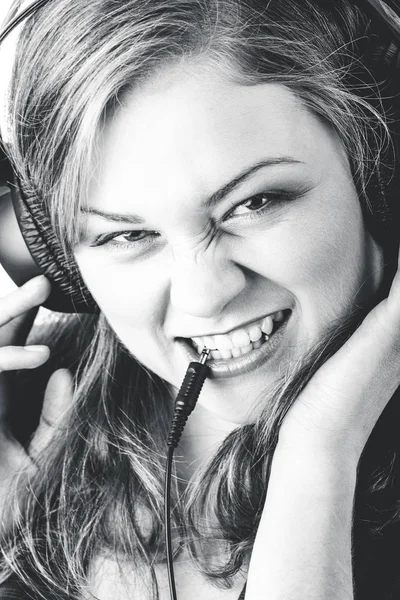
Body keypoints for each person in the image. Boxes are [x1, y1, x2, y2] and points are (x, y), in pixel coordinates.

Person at [0, 0, 400, 598]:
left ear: (379, 174)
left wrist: (319, 455)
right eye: (127, 235)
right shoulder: (26, 438)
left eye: (254, 202)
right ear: (54, 259)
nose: (204, 296)